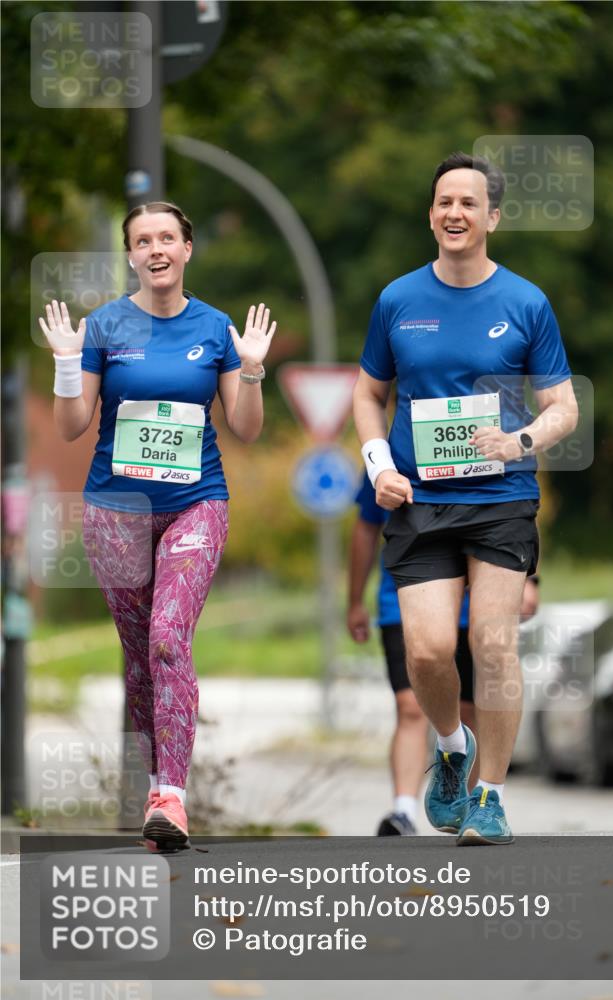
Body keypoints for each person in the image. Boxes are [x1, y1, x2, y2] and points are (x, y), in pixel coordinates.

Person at [353, 151, 577, 845]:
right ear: (431, 214)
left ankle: (490, 797)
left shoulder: (524, 302)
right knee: (424, 654)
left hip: (502, 497)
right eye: (444, 201)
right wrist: (375, 462)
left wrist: (519, 443)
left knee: (491, 642)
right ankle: (452, 748)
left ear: (492, 217)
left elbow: (562, 405)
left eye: (469, 203)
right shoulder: (397, 301)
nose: (455, 212)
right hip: (419, 500)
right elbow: (368, 393)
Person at [39, 201, 276, 851]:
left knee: (169, 636)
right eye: (142, 240)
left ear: (187, 249)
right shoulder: (105, 326)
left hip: (196, 503)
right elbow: (70, 425)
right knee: (141, 657)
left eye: (167, 237)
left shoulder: (217, 328)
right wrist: (67, 361)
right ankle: (154, 789)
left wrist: (251, 368)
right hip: (116, 512)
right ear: (131, 256)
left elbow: (247, 427)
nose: (156, 249)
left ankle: (171, 796)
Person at [347, 472, 540, 835]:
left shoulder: (492, 434)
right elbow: (365, 527)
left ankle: (480, 805)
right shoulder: (391, 455)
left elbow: (520, 508)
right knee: (411, 705)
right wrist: (355, 599)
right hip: (406, 597)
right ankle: (404, 810)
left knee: (471, 706)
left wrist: (530, 579)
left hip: (478, 599)